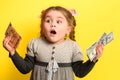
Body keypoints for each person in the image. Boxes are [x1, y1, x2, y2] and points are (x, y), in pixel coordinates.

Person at [3, 6, 103, 80]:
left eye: (58, 22)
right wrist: (12, 52)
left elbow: (80, 72)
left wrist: (94, 59)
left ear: (68, 29)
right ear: (42, 27)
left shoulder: (73, 46)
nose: (53, 25)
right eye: (48, 21)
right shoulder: (35, 43)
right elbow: (25, 69)